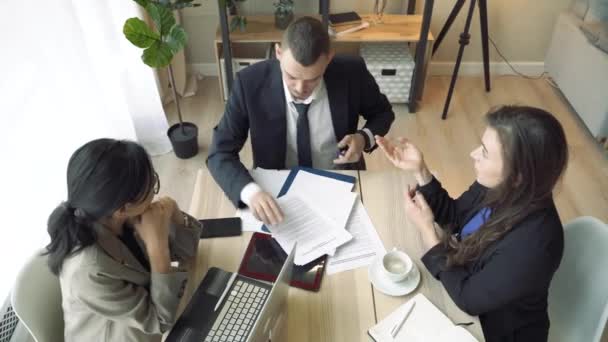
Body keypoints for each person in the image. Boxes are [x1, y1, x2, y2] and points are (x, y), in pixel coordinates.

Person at [376, 106, 568, 342]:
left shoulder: (535, 244)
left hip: (495, 331)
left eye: (485, 152)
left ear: (518, 176)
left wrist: (428, 233)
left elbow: (469, 298)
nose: (473, 154)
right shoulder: (502, 186)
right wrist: (421, 171)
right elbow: (456, 218)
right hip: (467, 288)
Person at [207, 16, 394, 226]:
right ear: (279, 53)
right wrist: (251, 193)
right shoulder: (249, 83)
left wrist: (363, 138)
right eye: (291, 76)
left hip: (338, 181)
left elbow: (383, 113)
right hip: (276, 188)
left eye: (313, 79)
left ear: (329, 59)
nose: (299, 88)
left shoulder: (352, 72)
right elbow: (219, 153)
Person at [44, 138, 202, 342]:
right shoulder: (88, 270)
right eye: (151, 186)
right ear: (122, 208)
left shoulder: (119, 218)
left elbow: (186, 254)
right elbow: (159, 321)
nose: (155, 191)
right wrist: (157, 247)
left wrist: (176, 214)